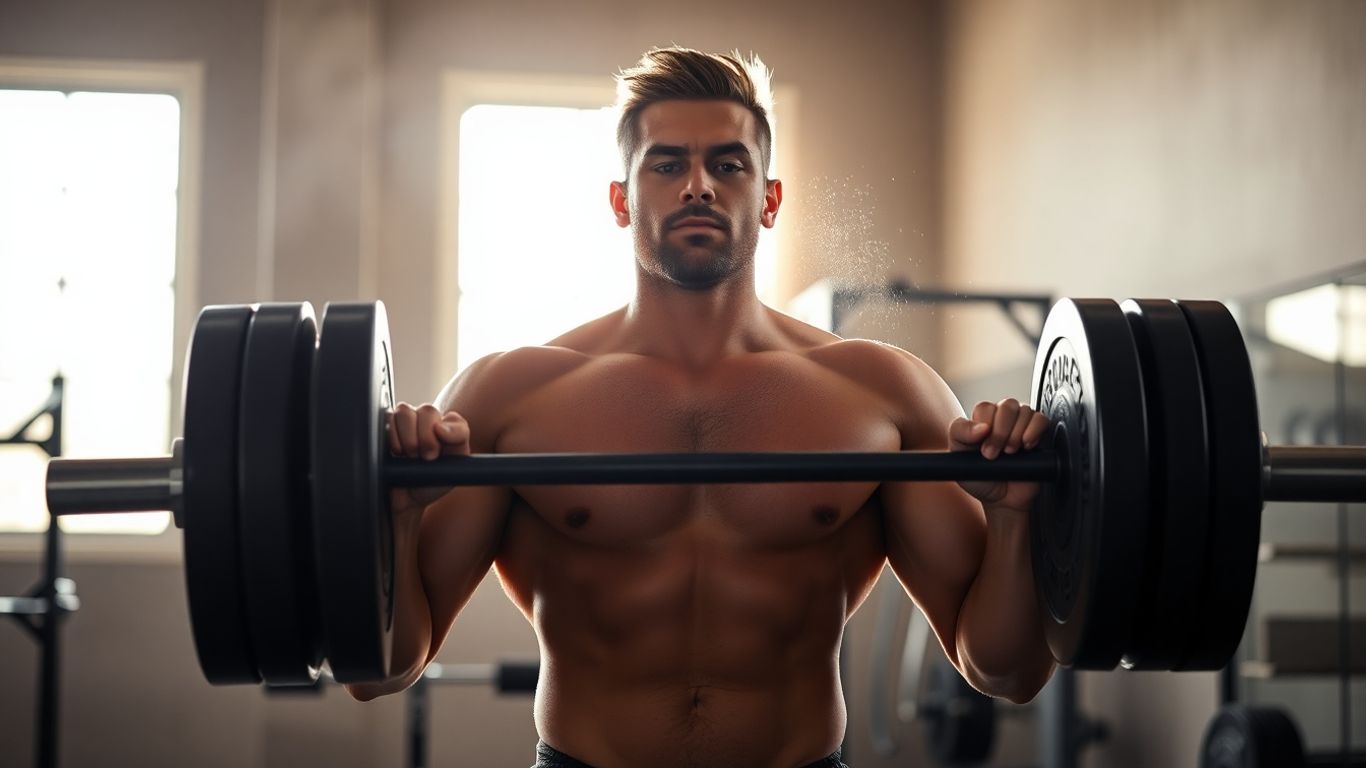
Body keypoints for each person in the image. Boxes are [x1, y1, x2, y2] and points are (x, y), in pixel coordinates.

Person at [346, 46, 1056, 768]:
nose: (698, 187)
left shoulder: (882, 393)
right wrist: (400, 518)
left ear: (769, 198)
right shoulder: (509, 396)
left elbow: (1006, 673)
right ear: (621, 201)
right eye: (665, 165)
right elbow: (381, 673)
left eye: (728, 164)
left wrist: (1013, 515)